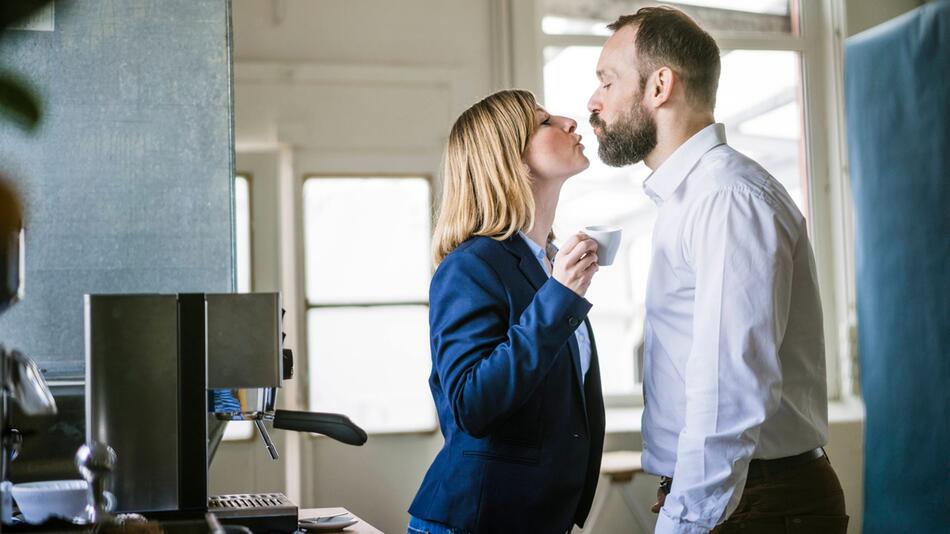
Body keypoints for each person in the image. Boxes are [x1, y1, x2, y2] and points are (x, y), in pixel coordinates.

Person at [587, 7, 848, 534]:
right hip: (741, 496)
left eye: (607, 81)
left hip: (761, 505)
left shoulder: (727, 200)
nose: (593, 102)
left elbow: (729, 391)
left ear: (660, 85)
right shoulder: (691, 198)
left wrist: (684, 523)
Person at [407, 89, 605, 534]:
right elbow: (472, 406)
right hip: (474, 523)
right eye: (544, 122)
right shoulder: (470, 266)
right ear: (510, 159)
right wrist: (558, 298)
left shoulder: (548, 264)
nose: (569, 122)